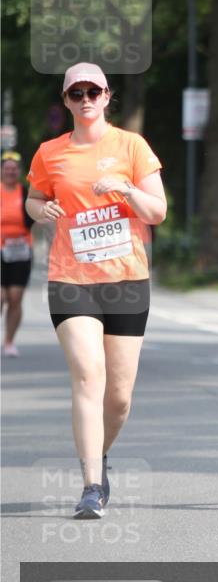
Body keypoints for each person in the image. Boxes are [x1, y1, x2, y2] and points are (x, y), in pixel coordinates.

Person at [26, 63, 166, 519]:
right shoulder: (49, 153)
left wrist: (125, 188)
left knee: (119, 395)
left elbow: (157, 212)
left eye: (93, 91)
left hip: (126, 281)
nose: (85, 99)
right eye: (76, 93)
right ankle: (90, 485)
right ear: (66, 101)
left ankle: (98, 456)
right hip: (72, 279)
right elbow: (33, 198)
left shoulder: (131, 146)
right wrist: (39, 209)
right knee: (89, 377)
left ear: (107, 96)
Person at [1, 151, 33, 356]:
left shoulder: (25, 192)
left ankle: (9, 342)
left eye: (14, 169)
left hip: (21, 250)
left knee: (15, 298)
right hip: (0, 250)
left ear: (19, 172)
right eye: (7, 168)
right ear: (2, 171)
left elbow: (36, 216)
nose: (11, 172)